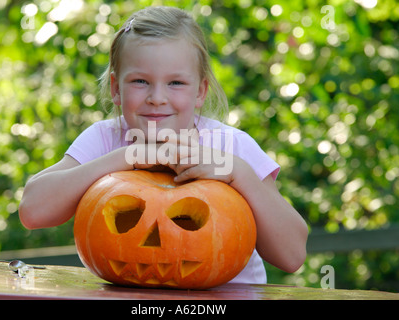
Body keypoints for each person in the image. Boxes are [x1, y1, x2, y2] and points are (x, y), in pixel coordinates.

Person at [19, 6, 308, 284]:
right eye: (141, 81)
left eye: (176, 83)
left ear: (200, 91)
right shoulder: (105, 139)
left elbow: (292, 255)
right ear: (115, 88)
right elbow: (32, 211)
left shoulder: (230, 146)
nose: (157, 97)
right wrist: (127, 157)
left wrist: (238, 173)